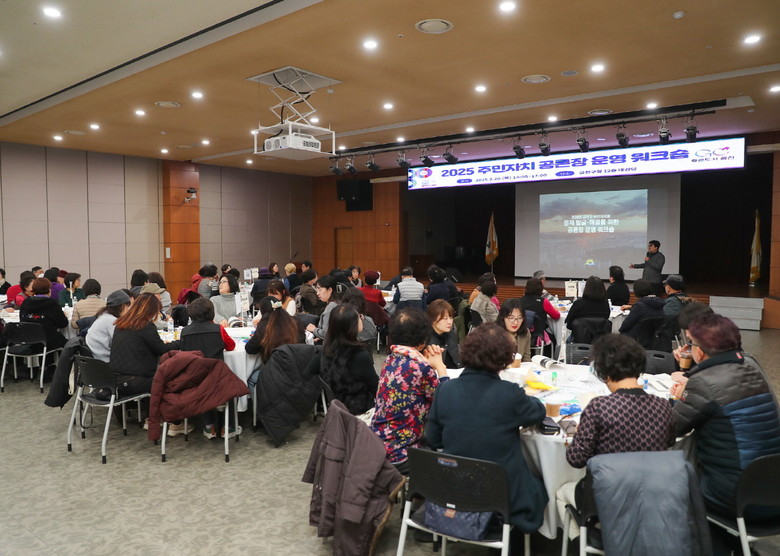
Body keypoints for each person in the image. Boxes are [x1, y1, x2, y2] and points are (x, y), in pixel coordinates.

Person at [426, 323, 548, 535]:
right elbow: (538, 413)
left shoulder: (445, 389)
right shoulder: (509, 393)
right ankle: (516, 539)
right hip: (501, 492)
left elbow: (434, 439)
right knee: (541, 483)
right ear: (504, 358)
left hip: (455, 488)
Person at [672, 314, 780, 552]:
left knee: (671, 479)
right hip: (773, 490)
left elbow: (670, 429)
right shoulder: (753, 370)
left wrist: (679, 398)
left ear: (700, 352)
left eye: (691, 344)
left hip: (737, 497)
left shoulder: (704, 383)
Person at [557, 334, 676, 540]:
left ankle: (585, 543)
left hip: (607, 498)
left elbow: (576, 459)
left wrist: (581, 435)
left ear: (605, 372)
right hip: (652, 496)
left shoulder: (600, 407)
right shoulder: (663, 406)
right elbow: (669, 442)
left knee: (560, 493)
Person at [370, 308, 447, 473]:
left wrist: (425, 359)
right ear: (423, 338)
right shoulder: (421, 368)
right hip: (401, 453)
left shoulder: (390, 359)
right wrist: (440, 368)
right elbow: (445, 404)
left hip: (377, 445)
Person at [309, 304, 377, 415]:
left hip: (336, 411)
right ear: (352, 326)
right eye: (358, 317)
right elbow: (376, 388)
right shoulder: (359, 355)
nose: (361, 319)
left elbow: (309, 371)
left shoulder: (325, 352)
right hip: (361, 413)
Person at [110, 293, 180, 396]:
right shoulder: (145, 325)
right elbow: (161, 349)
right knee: (175, 381)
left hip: (116, 380)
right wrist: (180, 342)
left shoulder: (121, 323)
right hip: (137, 381)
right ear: (151, 311)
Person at [246, 296, 305, 364]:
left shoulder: (264, 326)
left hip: (274, 366)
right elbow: (302, 344)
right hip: (297, 364)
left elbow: (250, 349)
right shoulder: (296, 322)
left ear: (262, 311)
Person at [19, 277, 69, 350]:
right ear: (49, 290)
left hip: (28, 341)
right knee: (68, 343)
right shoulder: (52, 303)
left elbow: (22, 320)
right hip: (48, 341)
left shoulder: (26, 302)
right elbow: (63, 324)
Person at [85, 290, 131, 362]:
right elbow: (122, 342)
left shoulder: (104, 316)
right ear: (121, 306)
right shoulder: (111, 320)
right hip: (104, 361)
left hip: (95, 357)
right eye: (127, 306)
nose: (128, 310)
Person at [520, 277, 560, 346]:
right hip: (538, 336)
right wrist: (556, 309)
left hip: (521, 335)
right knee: (554, 338)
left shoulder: (518, 301)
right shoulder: (544, 302)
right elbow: (556, 316)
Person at [305, 275, 347, 340]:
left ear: (330, 290)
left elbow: (326, 334)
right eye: (317, 290)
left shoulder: (331, 307)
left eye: (319, 289)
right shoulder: (339, 303)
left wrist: (314, 329)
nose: (317, 293)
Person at [427, 299, 461, 368]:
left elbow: (457, 359)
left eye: (451, 318)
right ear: (433, 319)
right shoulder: (426, 339)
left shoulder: (451, 334)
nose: (449, 322)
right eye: (445, 319)